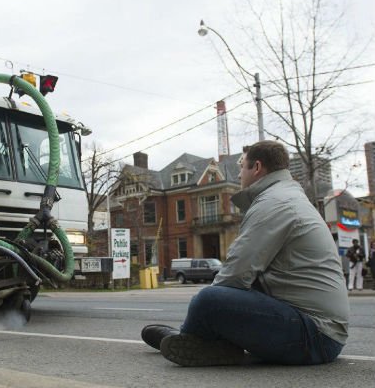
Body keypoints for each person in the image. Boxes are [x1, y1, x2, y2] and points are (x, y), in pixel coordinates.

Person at [141, 141, 349, 366]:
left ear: (257, 167)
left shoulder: (274, 203)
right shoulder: (285, 196)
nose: (239, 173)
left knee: (207, 300)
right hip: (317, 329)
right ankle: (215, 344)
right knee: (223, 298)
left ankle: (191, 340)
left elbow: (235, 275)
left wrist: (206, 313)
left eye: (242, 167)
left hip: (315, 336)